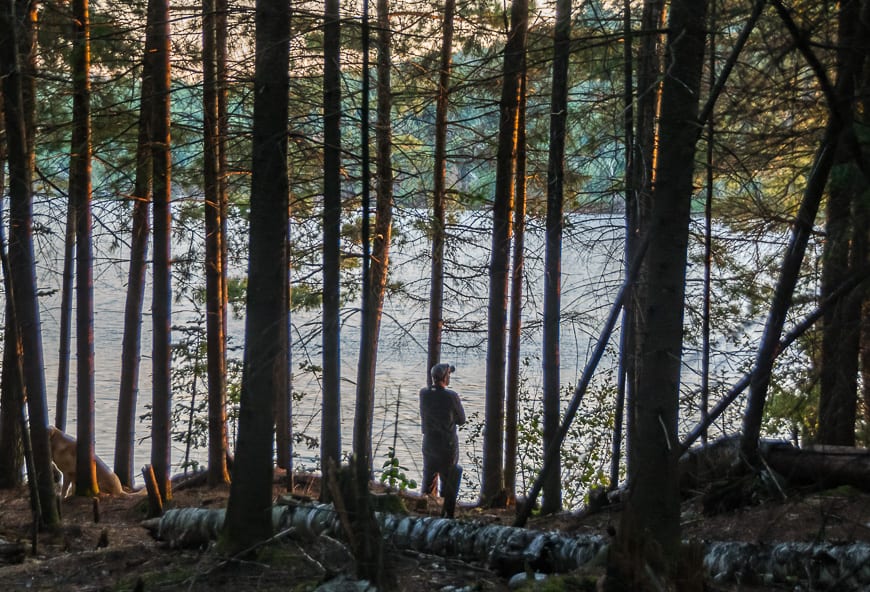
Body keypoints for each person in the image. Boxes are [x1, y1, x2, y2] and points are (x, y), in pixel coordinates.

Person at [419, 362, 466, 518]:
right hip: (447, 444)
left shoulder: (424, 394)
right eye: (449, 374)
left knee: (428, 478)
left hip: (429, 442)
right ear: (445, 377)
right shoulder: (451, 396)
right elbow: (461, 419)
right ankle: (446, 512)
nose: (449, 377)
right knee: (448, 480)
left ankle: (425, 509)